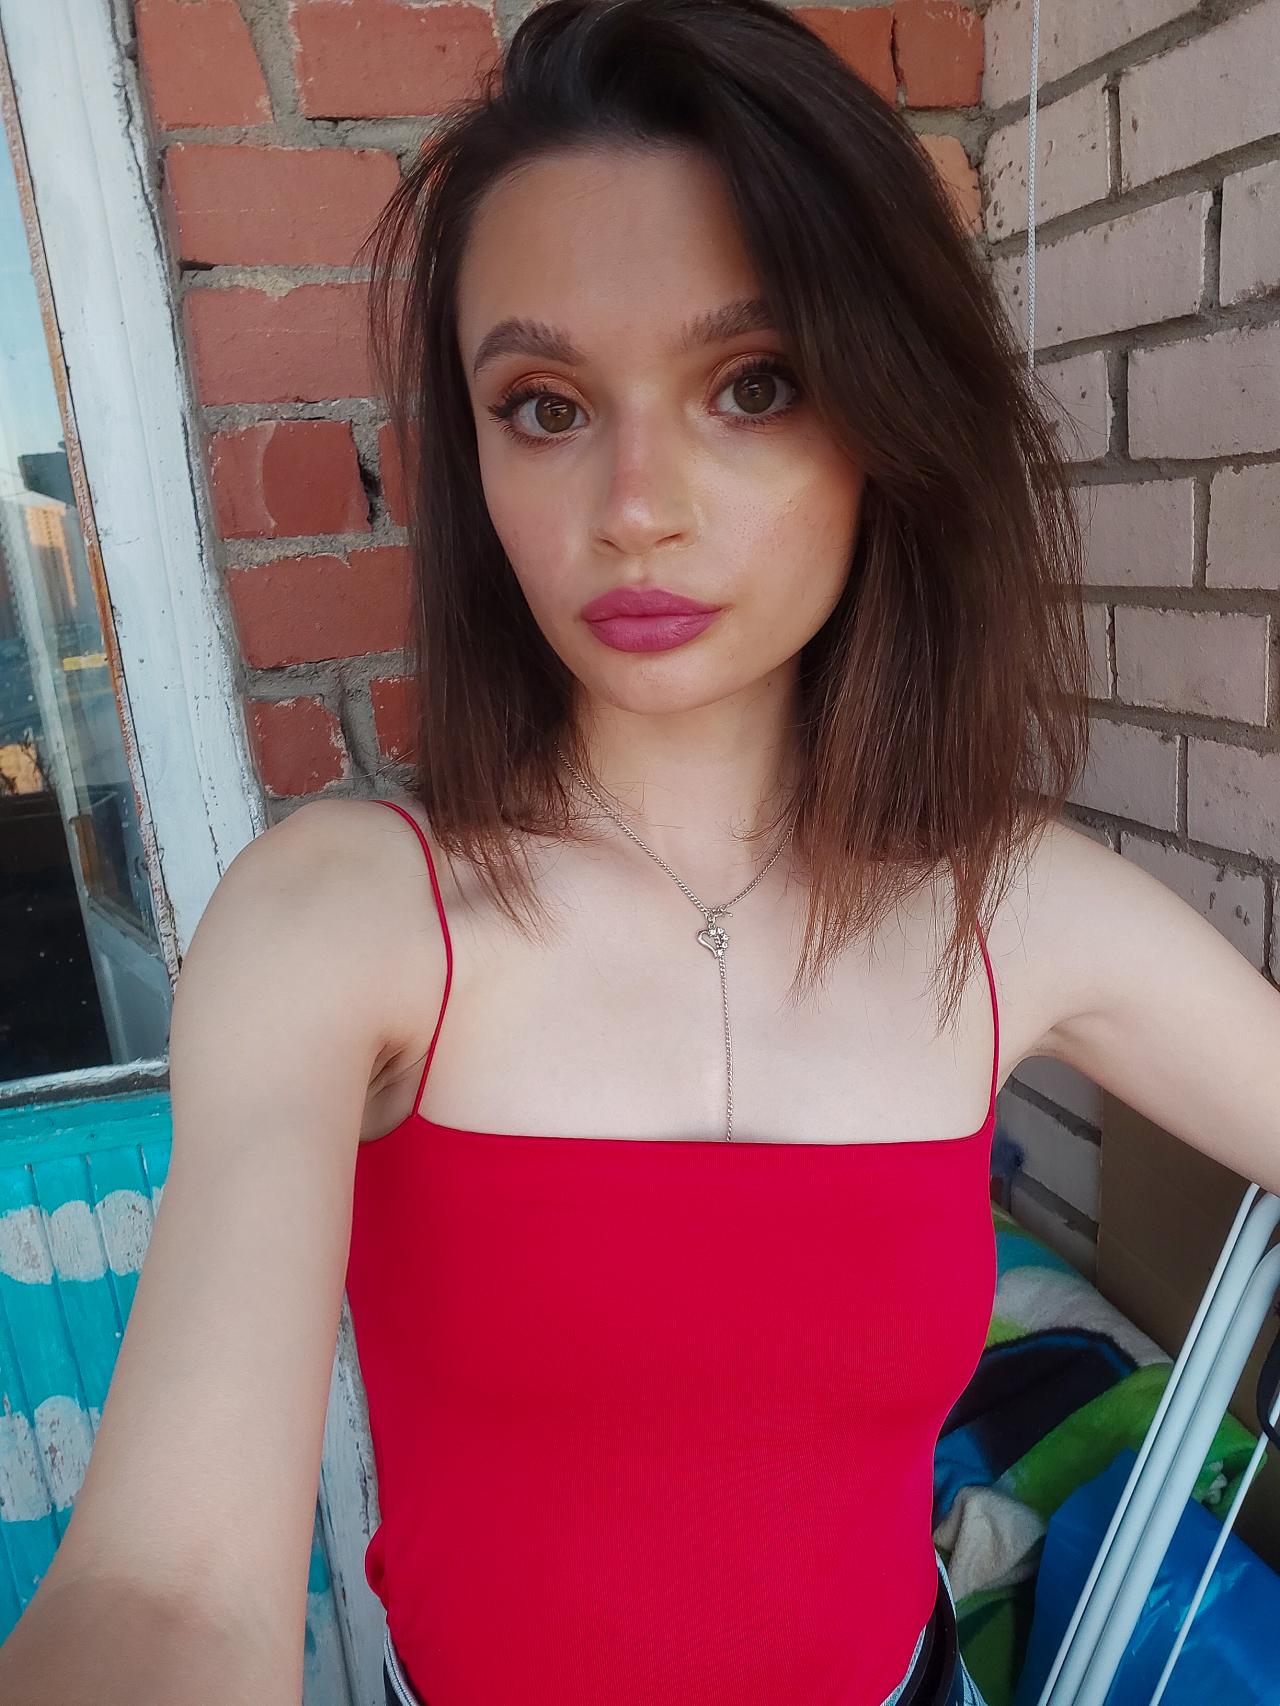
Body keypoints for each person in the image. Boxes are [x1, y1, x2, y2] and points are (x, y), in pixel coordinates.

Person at [5, 1, 1279, 1703]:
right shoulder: (344, 920)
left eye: (752, 385)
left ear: (887, 414)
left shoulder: (1011, 908)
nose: (634, 505)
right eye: (544, 406)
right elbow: (165, 1588)